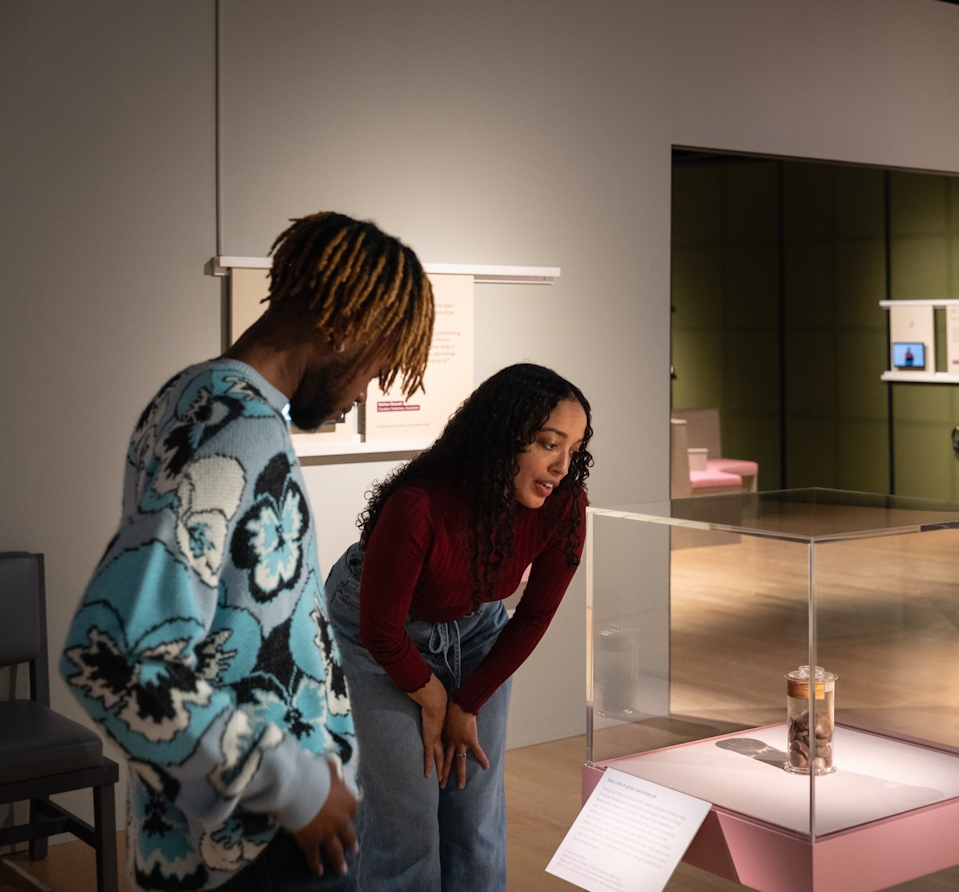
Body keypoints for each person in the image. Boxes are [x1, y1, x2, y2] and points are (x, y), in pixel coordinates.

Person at [61, 211, 435, 890]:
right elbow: (113, 655)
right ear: (344, 324)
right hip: (254, 848)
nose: (370, 389)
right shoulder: (235, 426)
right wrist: (295, 787)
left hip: (235, 833)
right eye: (380, 363)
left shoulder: (198, 397)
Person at [323, 363, 592, 891]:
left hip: (477, 626)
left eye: (574, 449)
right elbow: (381, 630)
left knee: (476, 812)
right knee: (408, 820)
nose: (562, 466)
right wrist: (434, 700)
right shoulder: (419, 506)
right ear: (502, 437)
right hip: (378, 629)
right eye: (547, 443)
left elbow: (533, 615)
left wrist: (466, 703)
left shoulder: (566, 506)